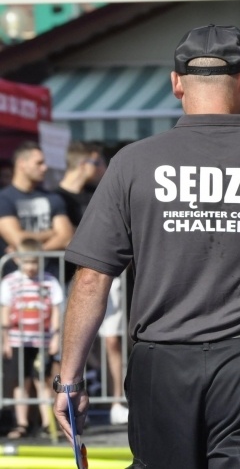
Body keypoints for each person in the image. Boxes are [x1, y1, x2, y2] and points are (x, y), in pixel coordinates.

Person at [54, 24, 240, 468]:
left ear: (176, 81)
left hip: (162, 363)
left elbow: (91, 277)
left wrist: (69, 380)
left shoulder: (132, 162)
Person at [56, 141, 129, 424]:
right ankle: (74, 394)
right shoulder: (56, 198)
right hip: (68, 280)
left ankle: (114, 401)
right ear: (85, 162)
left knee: (112, 341)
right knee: (73, 342)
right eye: (99, 162)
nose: (104, 168)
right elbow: (62, 236)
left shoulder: (95, 194)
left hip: (102, 277)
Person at [1, 238, 63, 439]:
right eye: (27, 262)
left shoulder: (49, 281)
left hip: (42, 341)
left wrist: (56, 338)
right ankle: (22, 423)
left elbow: (56, 310)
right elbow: (5, 310)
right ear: (18, 260)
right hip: (18, 340)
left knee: (42, 382)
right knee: (21, 383)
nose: (30, 267)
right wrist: (6, 339)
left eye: (34, 262)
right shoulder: (10, 282)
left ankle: (47, 424)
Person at [0, 141, 73, 276]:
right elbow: (17, 239)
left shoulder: (53, 198)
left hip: (50, 281)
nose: (44, 168)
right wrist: (51, 233)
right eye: (39, 163)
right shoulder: (4, 198)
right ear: (22, 163)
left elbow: (66, 237)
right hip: (15, 283)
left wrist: (33, 252)